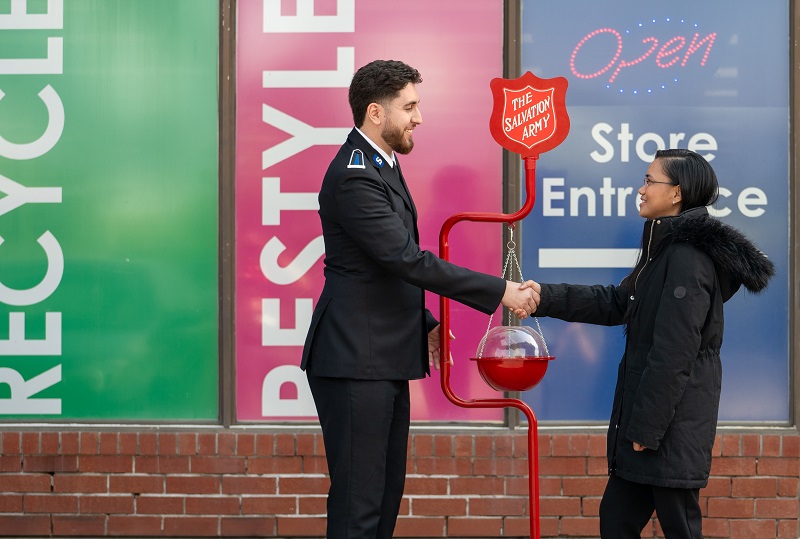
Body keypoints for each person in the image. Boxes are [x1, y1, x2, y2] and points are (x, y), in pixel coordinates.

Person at [300, 59, 539, 539]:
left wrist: (424, 319)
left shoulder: (380, 162)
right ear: (374, 112)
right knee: (359, 505)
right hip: (354, 360)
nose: (418, 117)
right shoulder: (353, 174)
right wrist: (500, 290)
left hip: (381, 356)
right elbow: (405, 258)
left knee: (385, 497)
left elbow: (380, 268)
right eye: (409, 107)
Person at [526, 149, 774, 539]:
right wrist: (543, 297)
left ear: (677, 193)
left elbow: (674, 352)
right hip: (652, 429)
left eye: (649, 181)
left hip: (665, 432)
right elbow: (616, 302)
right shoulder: (662, 251)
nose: (640, 189)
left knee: (676, 528)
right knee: (618, 522)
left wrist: (645, 429)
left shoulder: (686, 257)